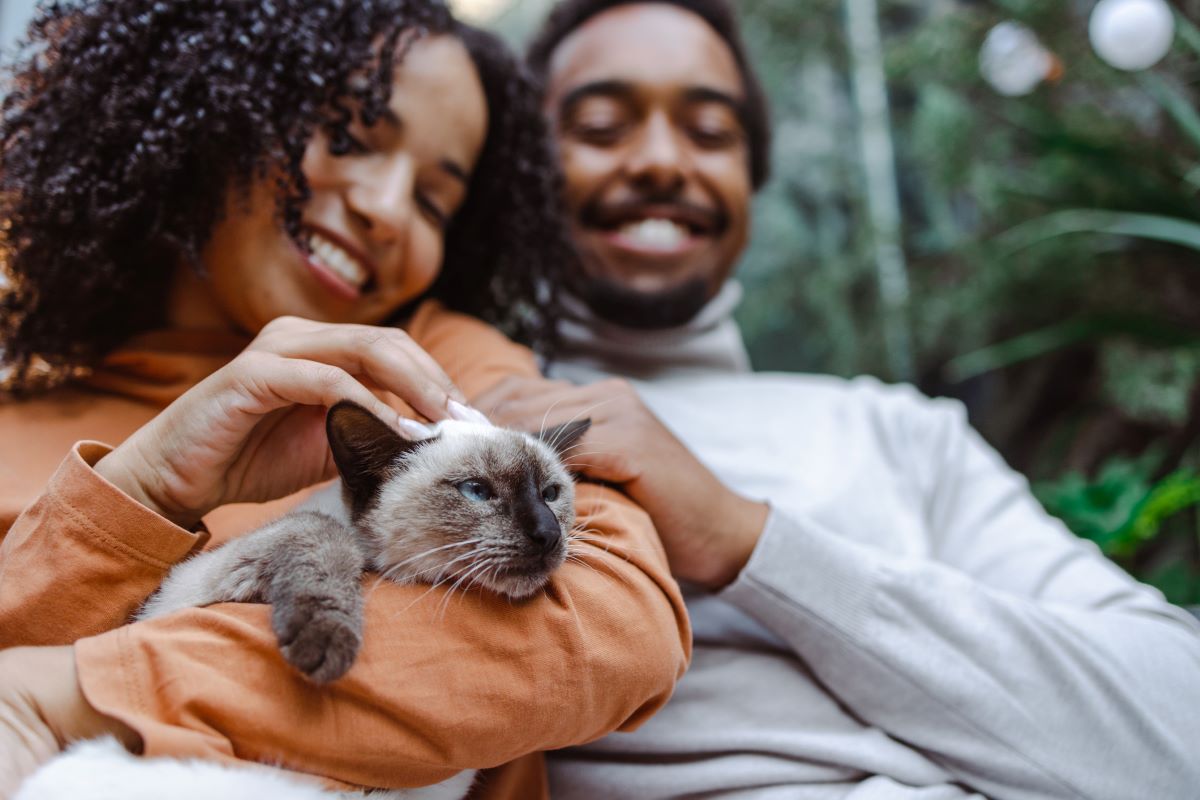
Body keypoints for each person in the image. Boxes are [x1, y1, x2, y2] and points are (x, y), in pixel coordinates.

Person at [475, 1, 1200, 797]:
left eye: (712, 133)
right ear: (523, 175)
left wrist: (744, 541)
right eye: (603, 126)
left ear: (750, 178)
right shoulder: (485, 439)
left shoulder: (897, 429)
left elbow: (1182, 734)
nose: (659, 161)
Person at [0, 2, 688, 798]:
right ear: (220, 108)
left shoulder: (440, 365)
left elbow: (617, 630)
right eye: (351, 135)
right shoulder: (16, 420)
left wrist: (76, 697)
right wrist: (145, 486)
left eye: (435, 202)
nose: (388, 209)